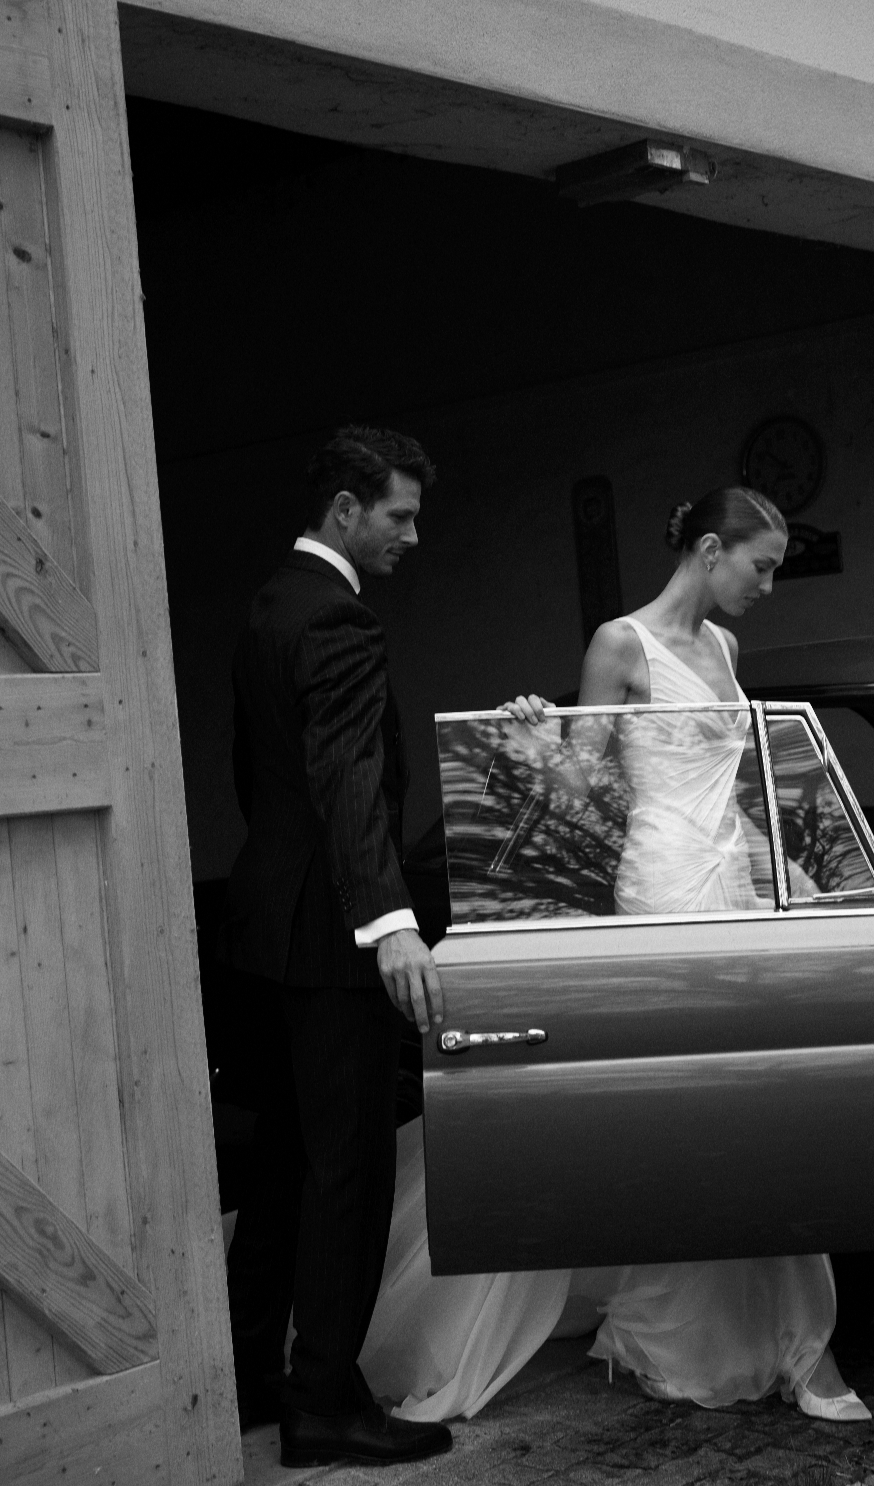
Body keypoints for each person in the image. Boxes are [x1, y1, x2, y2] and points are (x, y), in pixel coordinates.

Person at [357, 485, 870, 1424]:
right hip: (663, 887)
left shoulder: (726, 649)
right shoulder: (619, 644)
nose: (767, 587)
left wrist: (794, 864)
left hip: (735, 885)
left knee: (755, 1099)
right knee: (691, 1105)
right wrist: (530, 730)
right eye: (761, 567)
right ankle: (725, 1327)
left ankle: (782, 1330)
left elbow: (743, 780)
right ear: (710, 551)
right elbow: (583, 787)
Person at [221, 426, 452, 1469]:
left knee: (282, 1166)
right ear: (347, 510)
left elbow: (256, 778)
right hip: (333, 942)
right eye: (399, 514)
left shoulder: (271, 604)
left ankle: (248, 1378)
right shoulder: (342, 621)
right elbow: (350, 781)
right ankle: (323, 1403)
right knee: (345, 1174)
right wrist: (390, 923)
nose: (413, 534)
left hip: (268, 929)